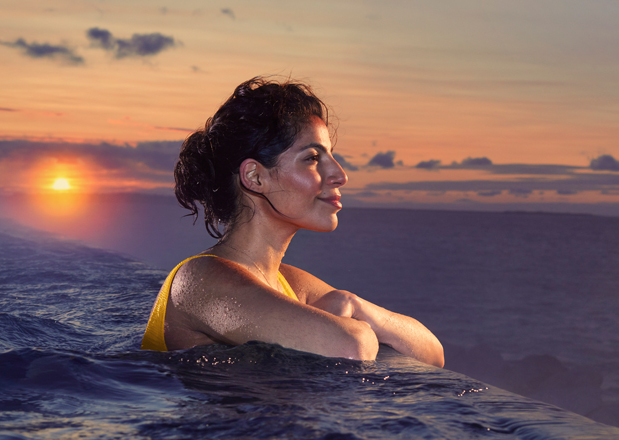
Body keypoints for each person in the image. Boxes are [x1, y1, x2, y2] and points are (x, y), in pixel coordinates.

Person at [141, 77, 445, 367]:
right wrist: (353, 320)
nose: (340, 175)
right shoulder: (199, 279)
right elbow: (350, 348)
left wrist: (354, 304)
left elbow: (432, 353)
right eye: (313, 158)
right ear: (255, 177)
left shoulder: (288, 284)